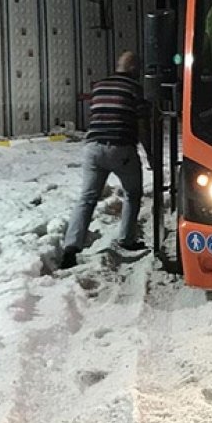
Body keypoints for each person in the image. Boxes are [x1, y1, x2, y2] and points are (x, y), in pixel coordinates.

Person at [60, 51, 149, 269]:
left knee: (87, 198)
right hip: (121, 149)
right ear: (135, 69)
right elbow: (143, 126)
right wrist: (151, 154)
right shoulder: (134, 89)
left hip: (93, 148)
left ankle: (71, 248)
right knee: (132, 194)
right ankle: (127, 239)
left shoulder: (99, 86)